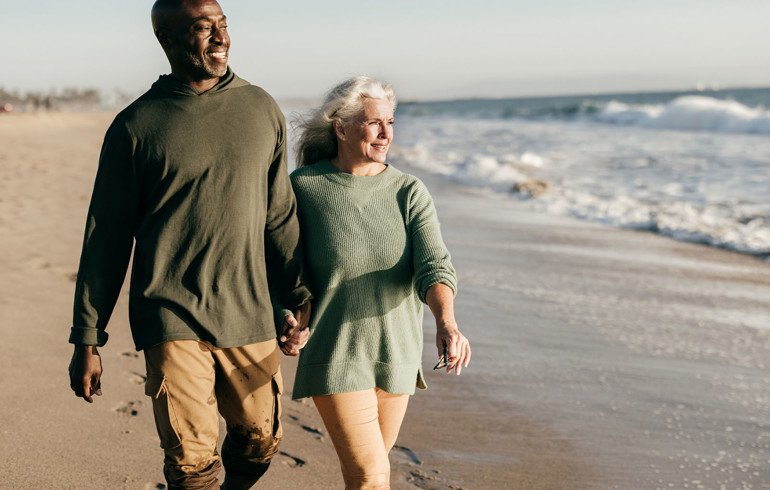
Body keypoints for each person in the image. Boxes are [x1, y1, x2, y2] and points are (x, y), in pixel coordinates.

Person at [66, 1, 312, 488]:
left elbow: (278, 213)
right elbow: (106, 240)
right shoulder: (136, 127)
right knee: (192, 462)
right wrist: (87, 338)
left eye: (224, 26)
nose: (220, 38)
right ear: (168, 42)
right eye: (204, 29)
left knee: (261, 439)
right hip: (169, 312)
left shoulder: (260, 108)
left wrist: (298, 294)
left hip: (249, 308)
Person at [278, 76, 472, 489]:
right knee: (372, 476)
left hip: (396, 355)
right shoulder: (304, 188)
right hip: (336, 354)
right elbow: (281, 270)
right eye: (373, 123)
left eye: (391, 122)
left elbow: (434, 265)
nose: (386, 133)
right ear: (341, 127)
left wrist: (447, 323)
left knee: (366, 477)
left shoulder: (408, 191)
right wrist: (287, 317)